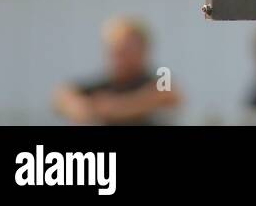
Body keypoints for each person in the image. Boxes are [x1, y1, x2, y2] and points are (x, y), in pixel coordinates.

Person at [52, 17, 181, 125]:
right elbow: (63, 95)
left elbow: (169, 96)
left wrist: (115, 108)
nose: (121, 56)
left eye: (128, 49)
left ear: (144, 50)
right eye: (117, 50)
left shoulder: (155, 81)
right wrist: (77, 107)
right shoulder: (104, 83)